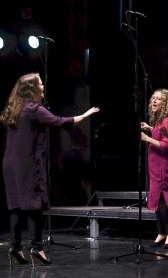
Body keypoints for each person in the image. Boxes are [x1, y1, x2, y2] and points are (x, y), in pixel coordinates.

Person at [1, 73, 99, 265]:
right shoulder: (33, 109)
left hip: (10, 164)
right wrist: (86, 115)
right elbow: (59, 121)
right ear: (32, 88)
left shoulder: (14, 108)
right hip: (26, 164)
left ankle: (15, 246)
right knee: (34, 205)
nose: (43, 87)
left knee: (17, 206)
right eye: (40, 84)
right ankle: (36, 248)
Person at [140, 89, 168, 248]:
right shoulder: (159, 121)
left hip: (163, 166)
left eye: (158, 99)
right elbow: (159, 135)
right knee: (156, 200)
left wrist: (147, 138)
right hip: (155, 167)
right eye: (153, 99)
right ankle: (162, 232)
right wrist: (150, 129)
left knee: (161, 201)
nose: (154, 101)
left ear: (166, 103)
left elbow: (167, 146)